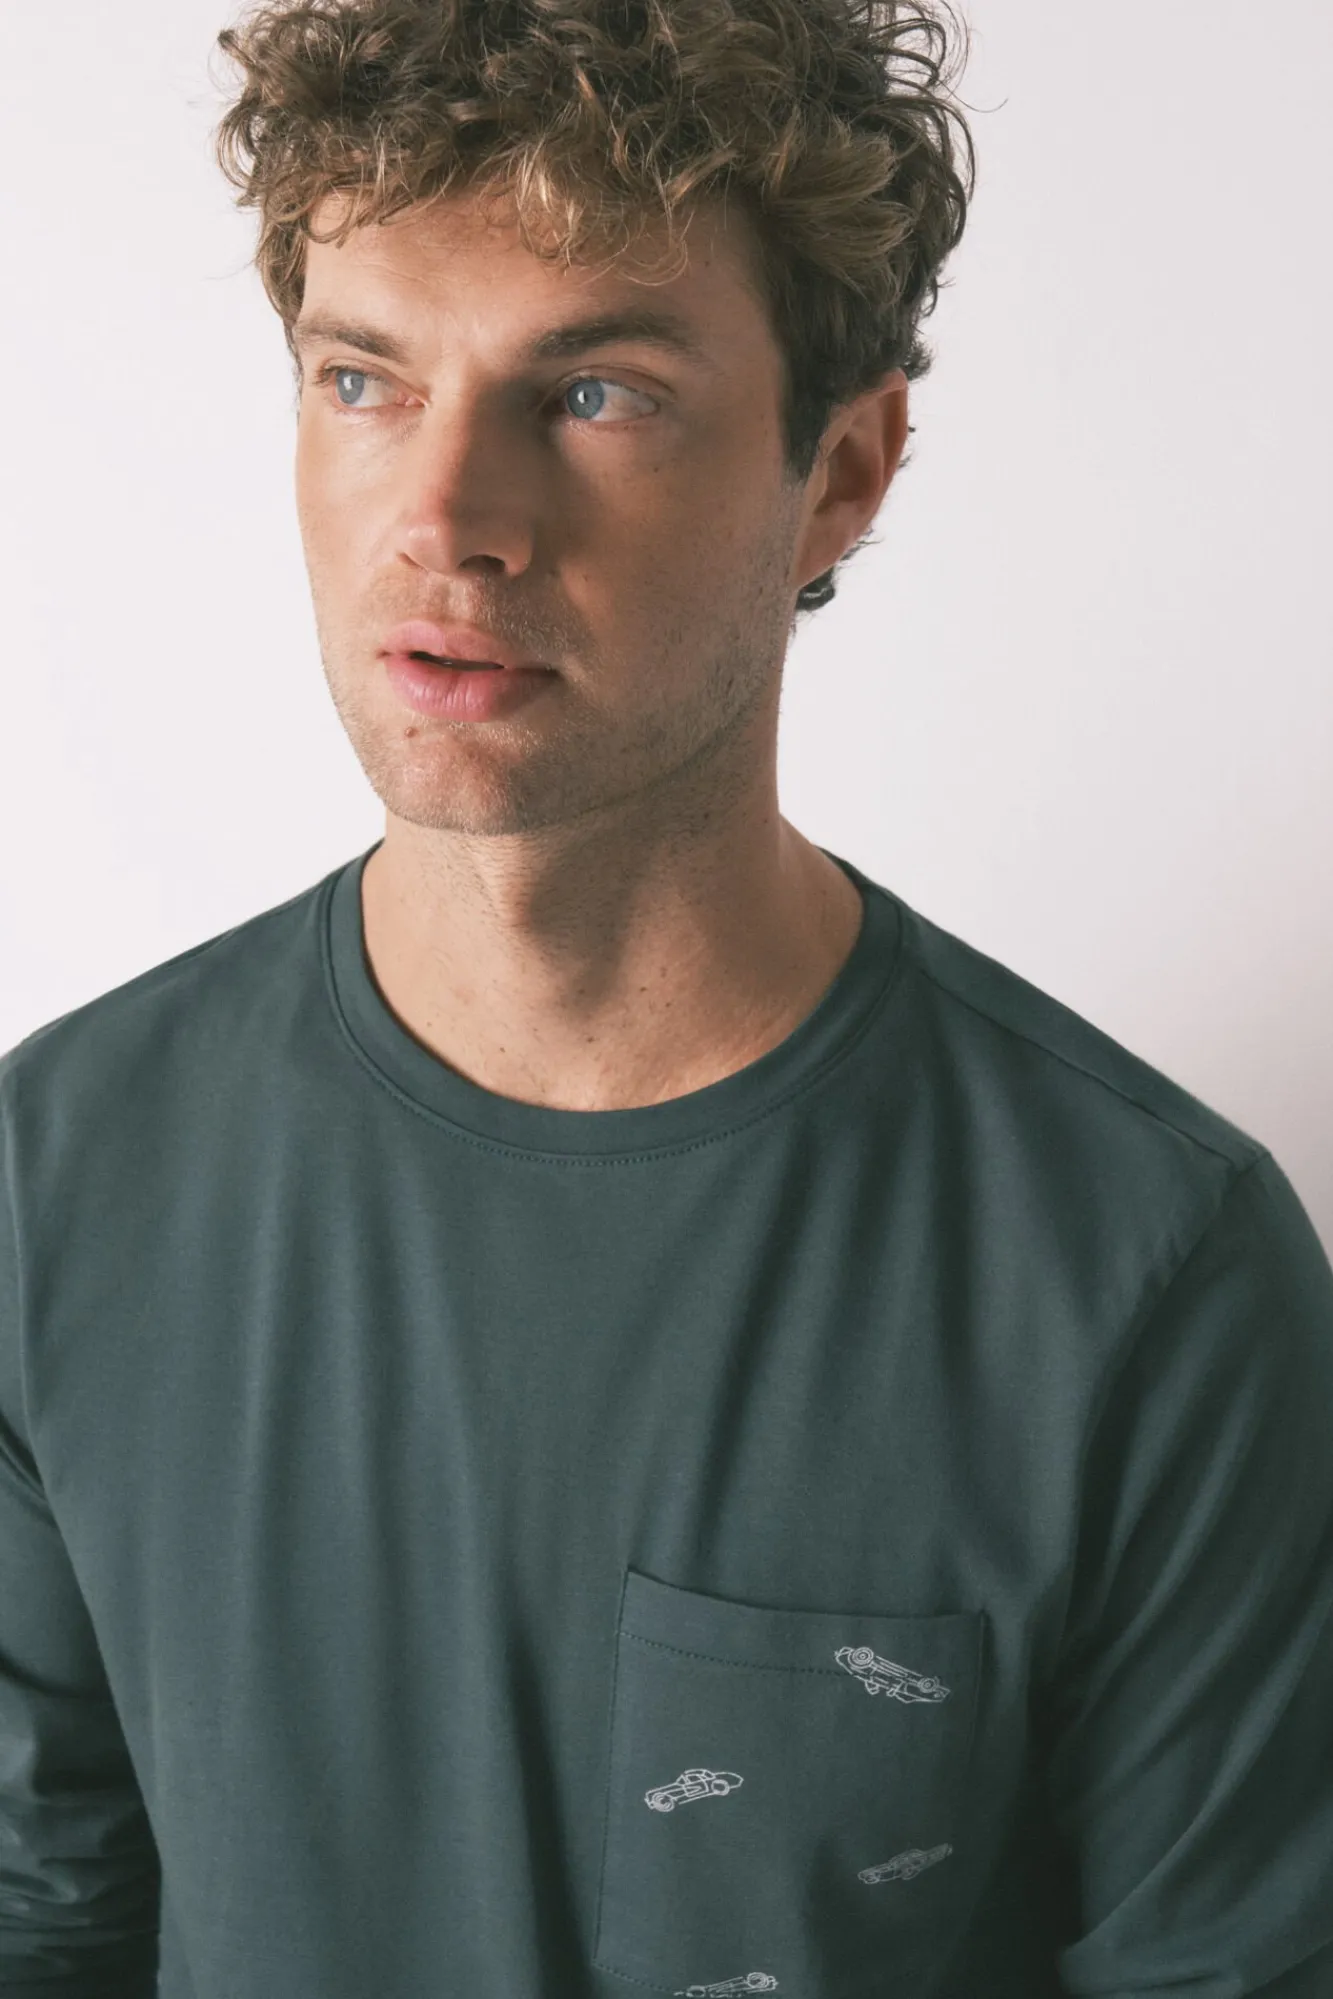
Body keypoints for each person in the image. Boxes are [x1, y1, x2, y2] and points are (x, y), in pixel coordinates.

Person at [0, 0, 1329, 1993]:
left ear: (843, 470)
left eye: (597, 392)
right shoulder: (53, 1190)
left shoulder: (1147, 1269)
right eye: (363, 379)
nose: (446, 515)